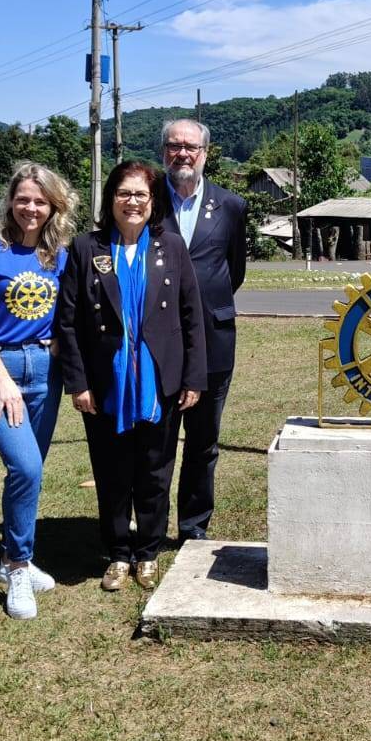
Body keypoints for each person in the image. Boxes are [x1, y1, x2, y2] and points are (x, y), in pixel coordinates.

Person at [56, 161, 207, 593]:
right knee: (112, 470)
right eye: (125, 193)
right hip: (105, 382)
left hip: (161, 380)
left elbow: (190, 317)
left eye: (141, 194)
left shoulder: (171, 247)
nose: (133, 202)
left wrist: (193, 378)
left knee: (156, 470)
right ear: (111, 198)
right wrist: (78, 382)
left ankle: (148, 553)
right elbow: (68, 322)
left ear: (153, 200)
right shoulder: (87, 248)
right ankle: (119, 553)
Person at [0, 162, 76, 619]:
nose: (31, 207)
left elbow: (68, 313)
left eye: (40, 201)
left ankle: (11, 557)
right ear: (11, 201)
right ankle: (18, 564)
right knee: (25, 467)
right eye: (23, 199)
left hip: (46, 369)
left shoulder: (59, 255)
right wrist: (2, 379)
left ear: (53, 207)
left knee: (29, 471)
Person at [158, 118, 247, 543]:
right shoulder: (144, 201)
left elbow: (234, 271)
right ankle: (151, 529)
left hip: (214, 339)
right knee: (156, 443)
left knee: (203, 442)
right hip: (156, 343)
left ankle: (193, 528)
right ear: (164, 152)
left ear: (205, 153)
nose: (182, 154)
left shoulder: (231, 206)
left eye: (190, 147)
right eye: (174, 146)